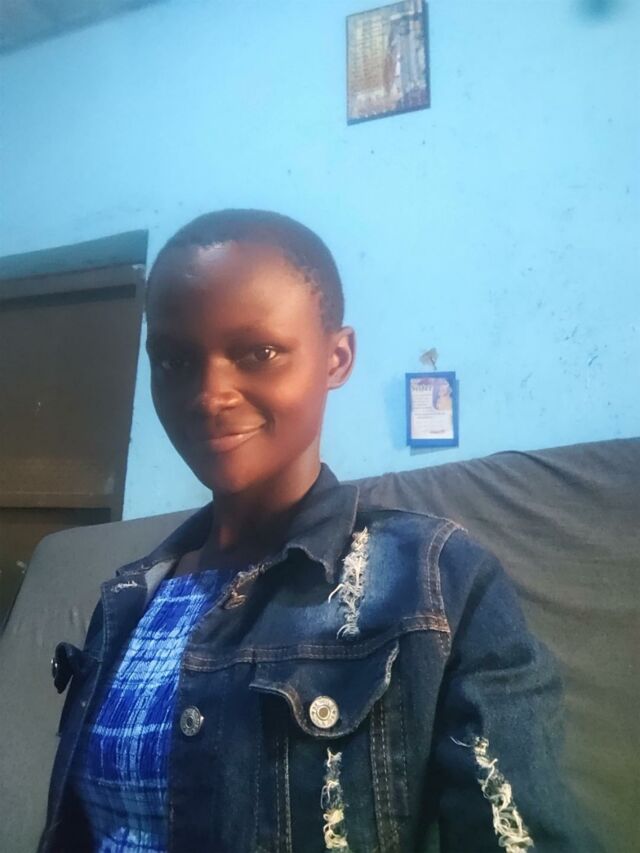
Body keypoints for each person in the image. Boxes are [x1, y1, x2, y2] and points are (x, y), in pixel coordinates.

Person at [40, 210, 591, 852]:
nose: (209, 394)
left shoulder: (437, 584)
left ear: (337, 357)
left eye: (258, 353)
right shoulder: (129, 600)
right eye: (174, 359)